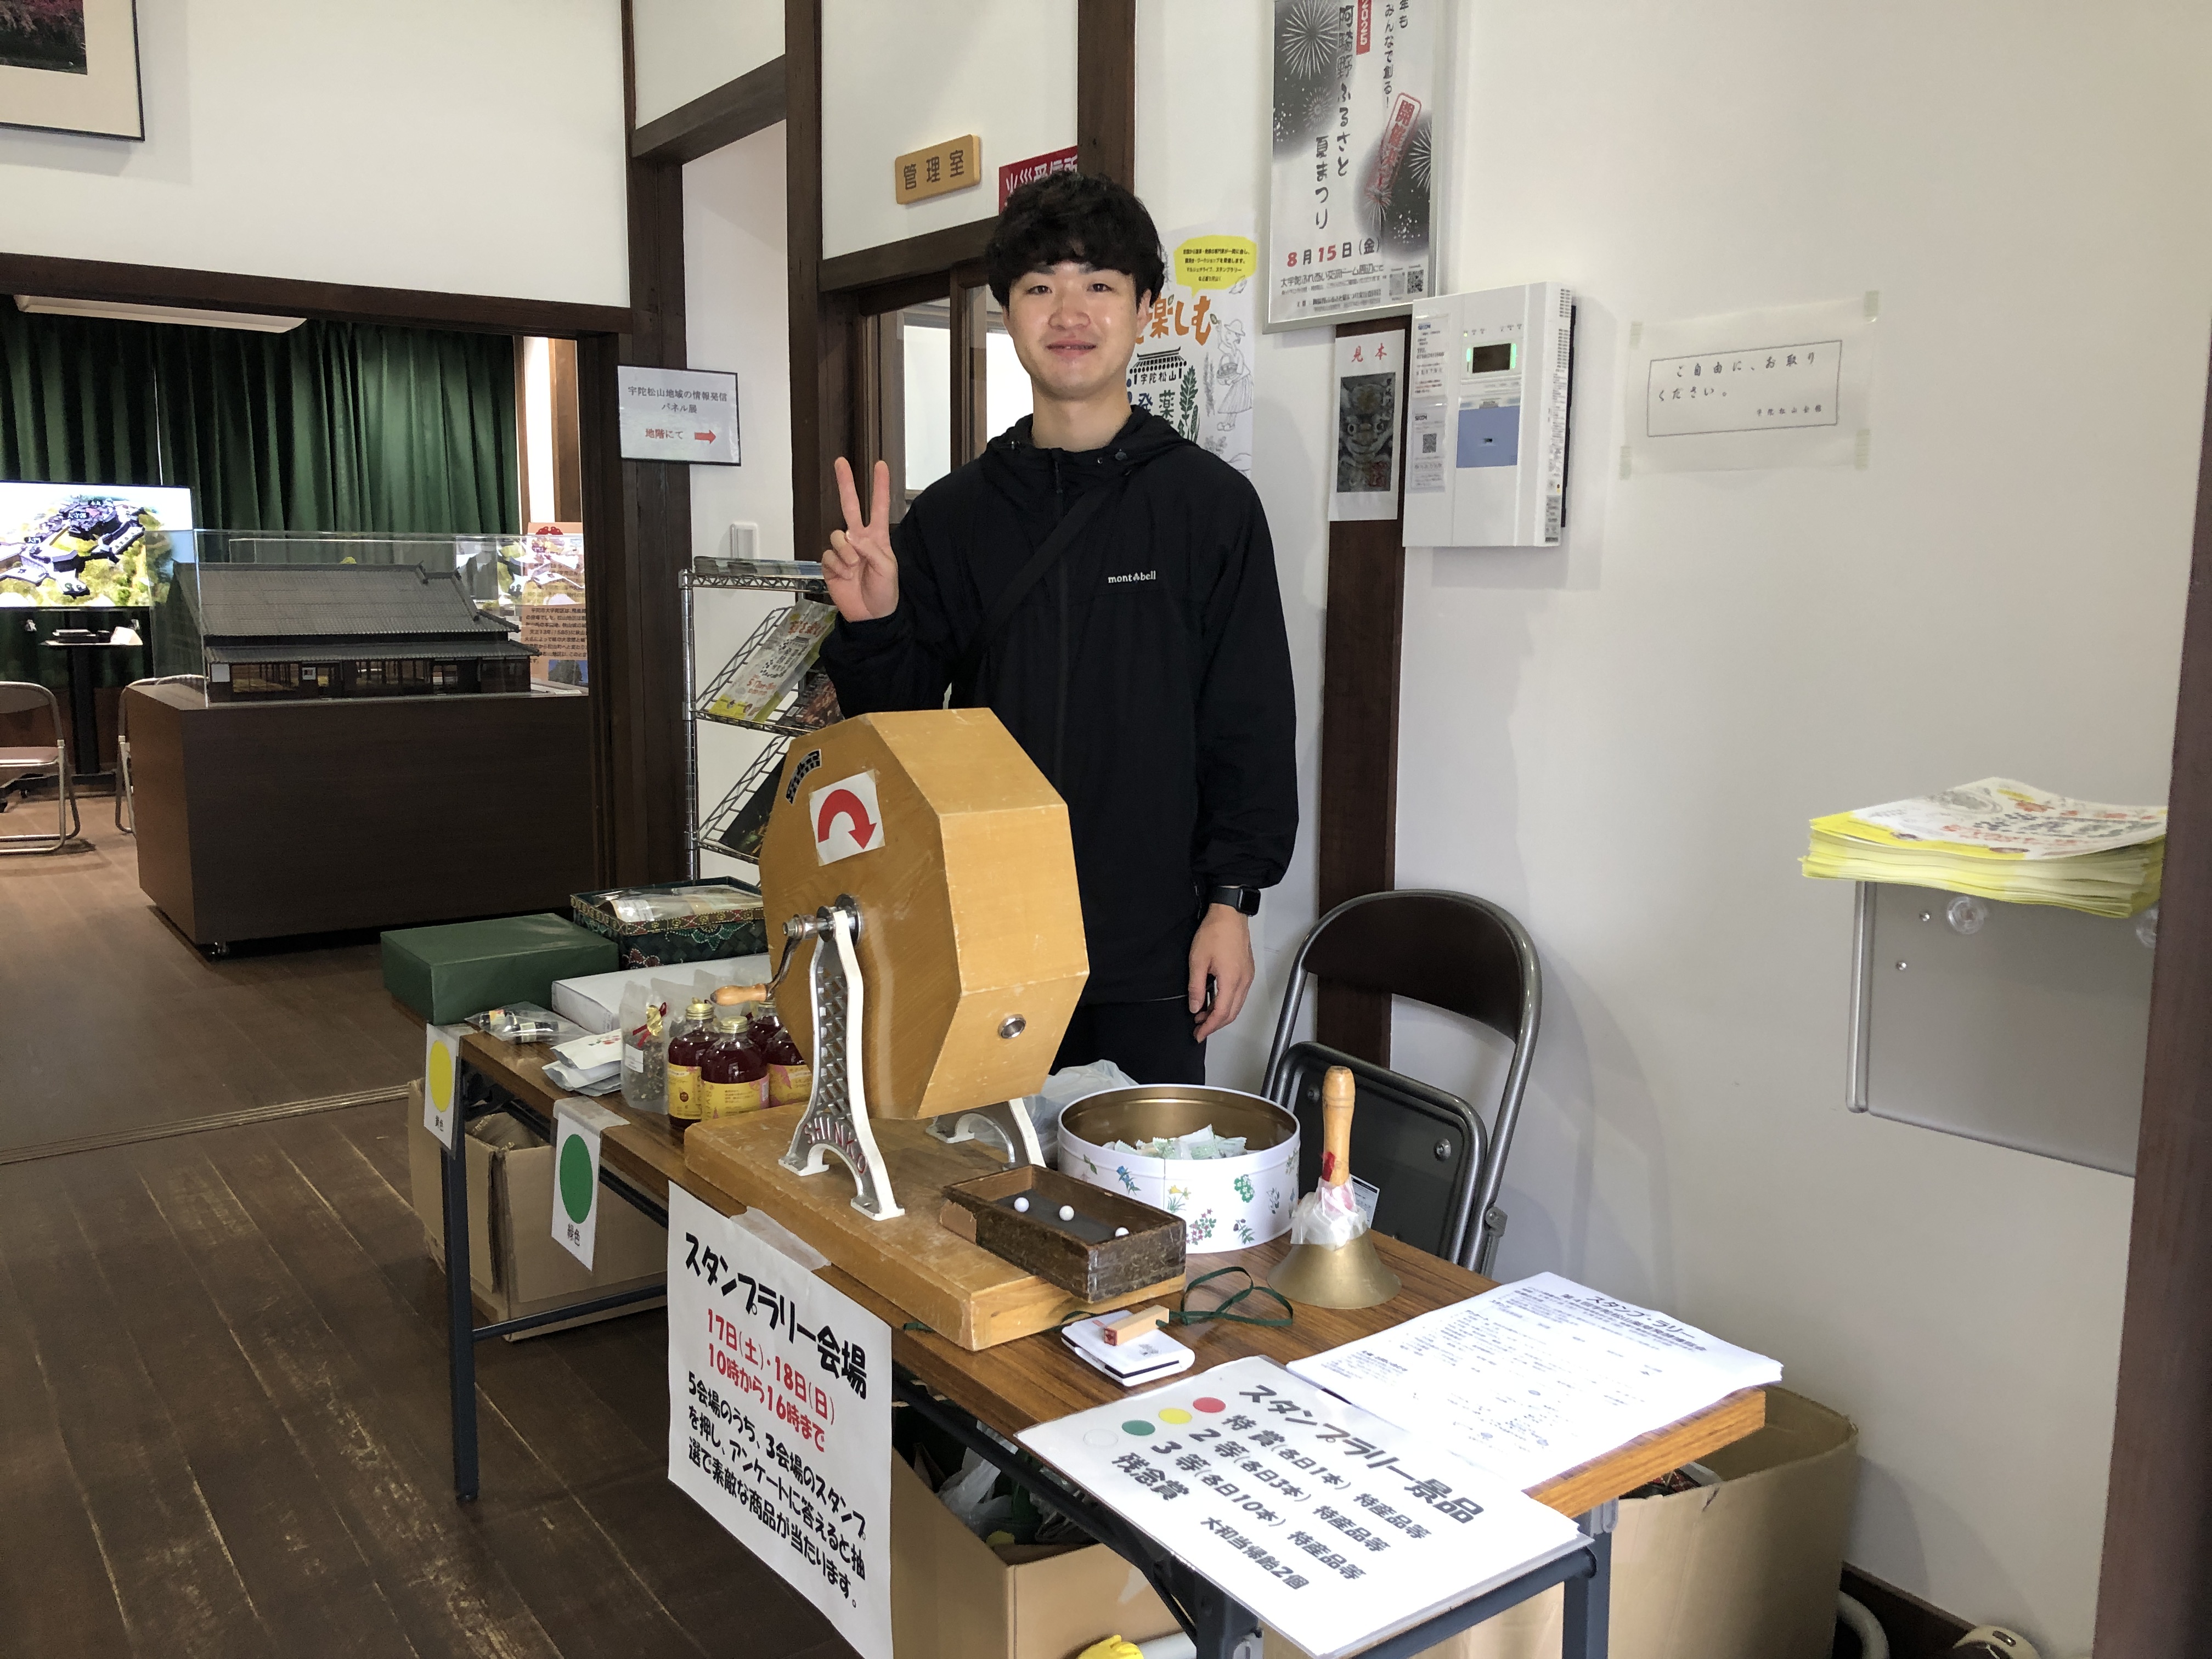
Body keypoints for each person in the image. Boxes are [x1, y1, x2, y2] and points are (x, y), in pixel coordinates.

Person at [816, 173, 1297, 1085]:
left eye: (1099, 284)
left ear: (1145, 309)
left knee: (1140, 1205)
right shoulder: (959, 515)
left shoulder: (1209, 507)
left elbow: (1251, 719)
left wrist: (1232, 905)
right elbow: (908, 732)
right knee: (977, 1195)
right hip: (982, 936)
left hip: (1151, 946)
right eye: (1040, 286)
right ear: (1007, 314)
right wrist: (877, 622)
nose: (1069, 311)